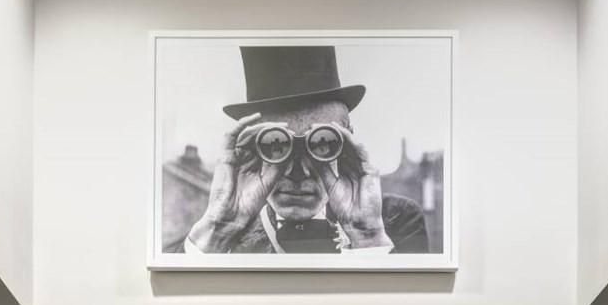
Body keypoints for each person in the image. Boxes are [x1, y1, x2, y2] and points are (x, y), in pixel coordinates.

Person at [172, 45, 429, 257]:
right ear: (250, 148)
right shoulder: (211, 230)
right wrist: (219, 229)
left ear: (347, 145)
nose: (298, 173)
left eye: (321, 144)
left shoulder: (395, 220)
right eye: (276, 144)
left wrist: (368, 236)